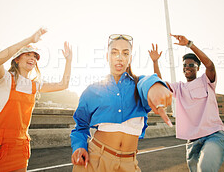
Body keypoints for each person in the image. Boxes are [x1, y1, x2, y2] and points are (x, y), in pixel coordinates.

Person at [0, 28, 72, 172]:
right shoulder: (5, 79)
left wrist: (68, 60)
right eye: (28, 54)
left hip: (20, 144)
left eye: (35, 57)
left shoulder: (34, 85)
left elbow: (64, 84)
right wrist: (29, 40)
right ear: (17, 59)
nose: (33, 58)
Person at [70, 34, 173, 172]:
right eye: (114, 52)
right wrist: (79, 146)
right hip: (95, 160)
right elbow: (80, 126)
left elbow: (148, 82)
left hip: (129, 164)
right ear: (107, 56)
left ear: (130, 58)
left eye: (125, 53)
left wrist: (155, 86)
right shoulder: (93, 90)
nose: (119, 57)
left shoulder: (138, 85)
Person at [149, 35, 224, 172]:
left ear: (198, 68)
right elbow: (160, 84)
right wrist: (155, 62)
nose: (187, 67)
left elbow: (210, 65)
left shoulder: (206, 81)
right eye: (185, 65)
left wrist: (190, 44)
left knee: (205, 168)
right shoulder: (179, 88)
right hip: (192, 142)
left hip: (213, 135)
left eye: (191, 65)